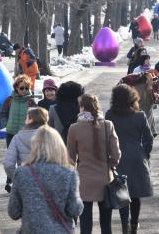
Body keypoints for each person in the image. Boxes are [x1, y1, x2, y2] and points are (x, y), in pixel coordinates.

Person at [8, 125, 84, 233]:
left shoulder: (21, 173)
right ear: (59, 146)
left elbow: (13, 212)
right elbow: (74, 209)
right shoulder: (69, 173)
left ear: (34, 146)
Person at [67, 94, 121, 234]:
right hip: (105, 179)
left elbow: (70, 158)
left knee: (85, 224)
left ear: (82, 107)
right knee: (106, 223)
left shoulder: (74, 128)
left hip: (84, 180)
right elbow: (116, 154)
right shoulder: (107, 125)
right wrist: (111, 165)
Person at [105, 85, 154, 234]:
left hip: (117, 158)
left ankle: (125, 225)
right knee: (135, 193)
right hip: (137, 158)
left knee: (122, 193)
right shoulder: (140, 115)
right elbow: (149, 138)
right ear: (133, 98)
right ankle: (134, 224)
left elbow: (106, 137)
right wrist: (145, 154)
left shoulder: (110, 115)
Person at [0, 74, 37, 193]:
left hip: (25, 135)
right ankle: (9, 181)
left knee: (24, 159)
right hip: (11, 133)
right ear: (16, 88)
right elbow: (2, 114)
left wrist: (31, 127)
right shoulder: (9, 100)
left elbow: (37, 117)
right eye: (22, 88)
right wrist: (7, 123)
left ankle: (24, 182)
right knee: (12, 158)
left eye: (26, 88)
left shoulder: (31, 102)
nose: (24, 90)